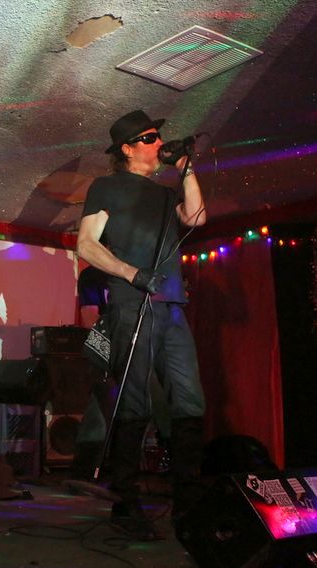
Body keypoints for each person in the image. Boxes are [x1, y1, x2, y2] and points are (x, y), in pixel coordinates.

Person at [77, 110, 207, 540]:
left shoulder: (165, 194)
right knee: (135, 402)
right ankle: (126, 503)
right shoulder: (106, 187)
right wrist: (133, 274)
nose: (158, 143)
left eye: (158, 137)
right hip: (134, 303)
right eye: (149, 138)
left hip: (172, 305)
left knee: (190, 399)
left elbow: (197, 217)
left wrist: (186, 169)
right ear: (128, 149)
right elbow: (86, 245)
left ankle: (188, 502)